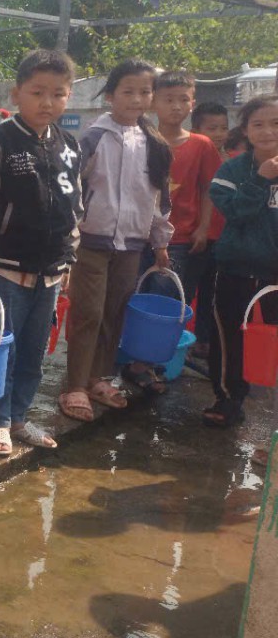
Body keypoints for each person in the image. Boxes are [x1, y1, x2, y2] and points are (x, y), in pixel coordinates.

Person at [0, 50, 81, 455]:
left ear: (68, 97)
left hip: (51, 270)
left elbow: (75, 205)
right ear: (17, 94)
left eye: (58, 94)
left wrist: (69, 256)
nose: (47, 102)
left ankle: (19, 417)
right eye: (37, 92)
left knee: (34, 352)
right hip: (4, 269)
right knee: (3, 349)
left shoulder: (69, 146)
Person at [61, 59, 173, 420]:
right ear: (110, 95)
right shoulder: (93, 138)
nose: (136, 99)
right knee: (88, 313)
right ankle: (75, 386)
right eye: (128, 91)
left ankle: (98, 378)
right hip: (91, 240)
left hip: (132, 243)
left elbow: (158, 198)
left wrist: (160, 241)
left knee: (114, 312)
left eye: (144, 92)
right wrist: (67, 237)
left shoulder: (154, 143)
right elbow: (70, 190)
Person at [129, 72, 220, 388]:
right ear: (154, 101)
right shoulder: (139, 139)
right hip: (135, 236)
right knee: (131, 296)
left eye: (184, 99)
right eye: (169, 99)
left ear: (193, 102)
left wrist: (204, 227)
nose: (176, 106)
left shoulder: (202, 145)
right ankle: (125, 358)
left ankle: (147, 365)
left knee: (165, 302)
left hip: (180, 239)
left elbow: (209, 189)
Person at [204, 94, 278, 428]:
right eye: (258, 124)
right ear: (245, 130)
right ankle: (228, 398)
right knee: (228, 338)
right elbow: (235, 213)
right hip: (235, 270)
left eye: (276, 123)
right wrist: (261, 178)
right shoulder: (232, 170)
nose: (268, 131)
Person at [190, 101, 232, 359]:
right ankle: (178, 341)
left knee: (211, 294)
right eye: (212, 128)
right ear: (196, 129)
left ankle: (203, 341)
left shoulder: (232, 162)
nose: (219, 134)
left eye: (223, 128)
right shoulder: (193, 157)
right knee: (185, 291)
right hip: (195, 236)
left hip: (223, 240)